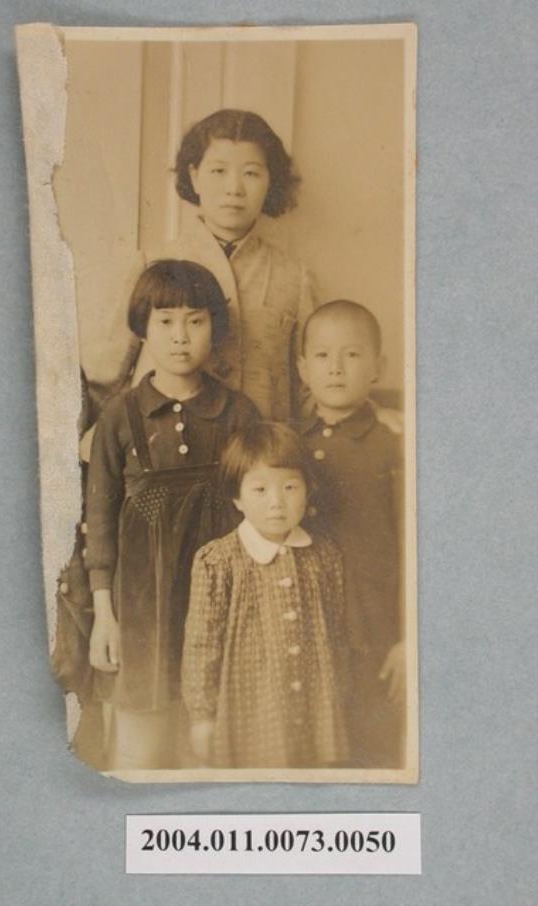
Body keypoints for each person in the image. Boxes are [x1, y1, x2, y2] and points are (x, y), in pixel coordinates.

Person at [85, 260, 259, 769]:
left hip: (223, 602)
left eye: (195, 321)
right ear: (143, 328)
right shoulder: (119, 417)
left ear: (215, 328)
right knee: (141, 750)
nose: (180, 336)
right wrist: (105, 617)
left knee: (216, 745)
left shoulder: (239, 414)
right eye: (165, 321)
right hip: (141, 609)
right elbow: (100, 522)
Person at [82, 108, 315, 430]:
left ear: (270, 181)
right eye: (218, 171)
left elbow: (311, 389)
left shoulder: (294, 277)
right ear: (194, 177)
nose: (234, 188)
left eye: (251, 173)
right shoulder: (152, 262)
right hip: (162, 447)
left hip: (258, 451)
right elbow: (103, 379)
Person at [181, 422, 349, 769]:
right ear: (237, 498)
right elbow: (201, 644)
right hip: (250, 710)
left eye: (290, 487)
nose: (277, 502)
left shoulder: (325, 554)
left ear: (308, 490)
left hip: (315, 707)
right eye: (260, 490)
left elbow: (336, 632)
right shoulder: (218, 561)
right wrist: (202, 717)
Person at [295, 299, 405, 767]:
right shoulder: (290, 442)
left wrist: (409, 637)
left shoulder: (395, 443)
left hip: (375, 630)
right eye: (322, 355)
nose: (336, 368)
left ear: (379, 367)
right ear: (303, 368)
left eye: (352, 354)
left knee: (371, 748)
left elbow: (418, 550)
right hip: (307, 629)